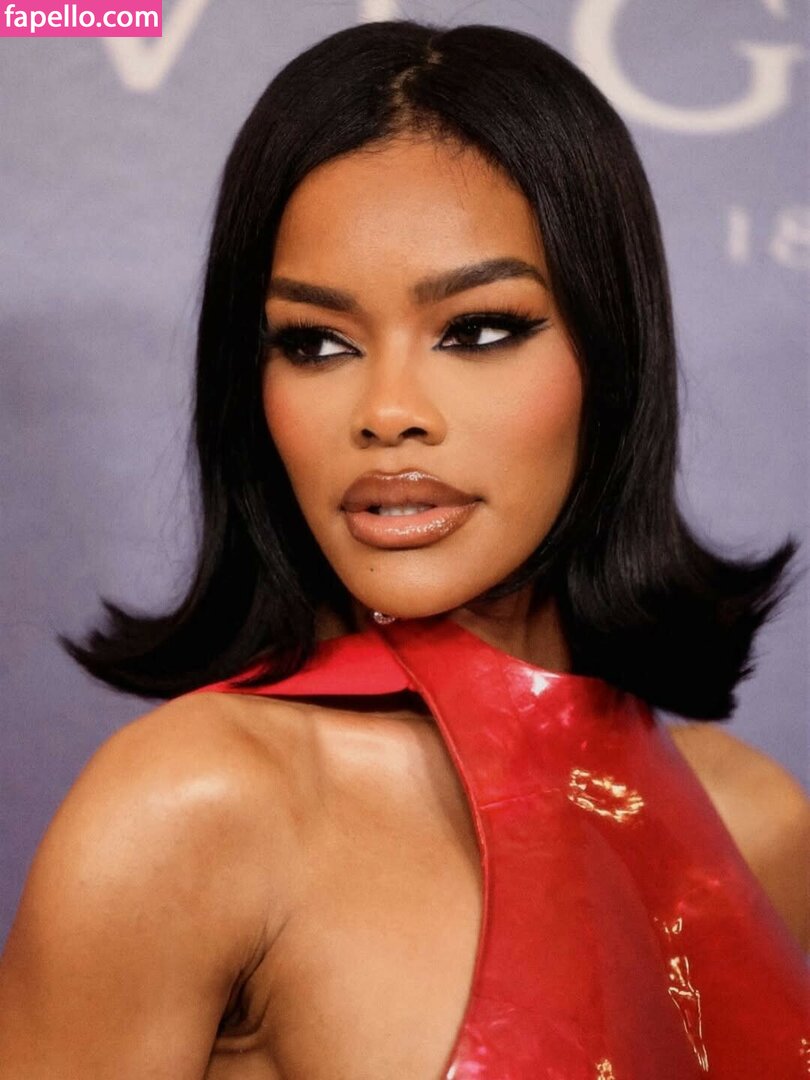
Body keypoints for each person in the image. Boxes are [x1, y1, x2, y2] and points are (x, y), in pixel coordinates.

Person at [0, 19, 807, 1079]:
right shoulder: (197, 806)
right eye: (314, 342)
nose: (386, 412)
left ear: (612, 354)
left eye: (478, 330)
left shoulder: (757, 822)